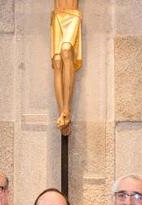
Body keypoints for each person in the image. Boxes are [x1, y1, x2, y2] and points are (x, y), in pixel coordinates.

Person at [51, 0, 82, 135]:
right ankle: (62, 115)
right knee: (57, 61)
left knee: (66, 50)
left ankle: (66, 110)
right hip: (57, 15)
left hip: (72, 15)